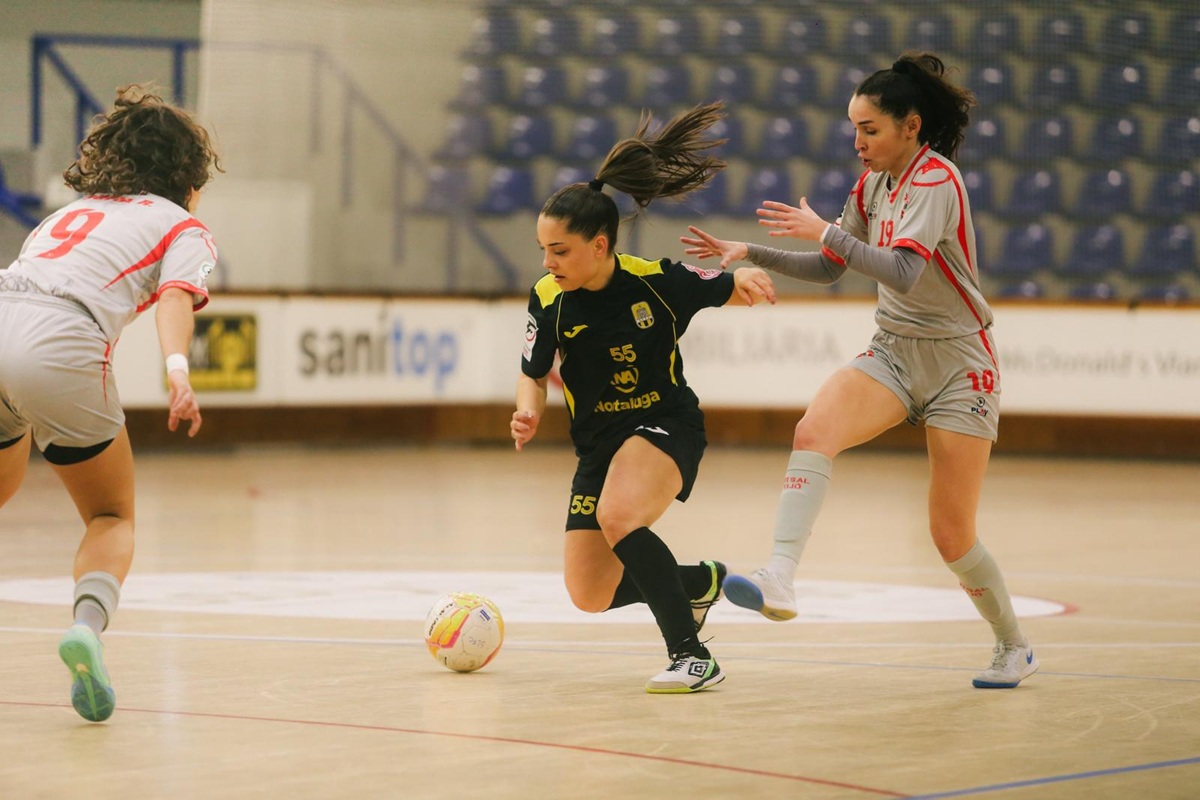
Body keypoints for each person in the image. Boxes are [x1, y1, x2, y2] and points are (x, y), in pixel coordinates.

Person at [680, 52, 1038, 689]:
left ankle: (1013, 645)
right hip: (895, 349)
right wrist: (749, 251)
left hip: (960, 365)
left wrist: (824, 230)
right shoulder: (872, 186)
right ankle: (779, 576)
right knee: (813, 430)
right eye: (854, 129)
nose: (858, 142)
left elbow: (901, 269)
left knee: (951, 534)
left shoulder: (937, 180)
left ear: (910, 126)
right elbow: (831, 267)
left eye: (870, 129)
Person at [511, 101, 777, 694]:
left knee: (618, 516)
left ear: (600, 245)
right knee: (589, 592)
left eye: (560, 251)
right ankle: (699, 583)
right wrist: (528, 409)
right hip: (598, 446)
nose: (548, 263)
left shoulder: (652, 281)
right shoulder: (548, 296)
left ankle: (692, 656)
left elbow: (725, 286)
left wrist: (746, 277)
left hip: (665, 426)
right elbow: (532, 371)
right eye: (543, 250)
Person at [0, 85, 220, 721]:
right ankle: (86, 631)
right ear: (190, 182)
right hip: (59, 343)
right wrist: (177, 370)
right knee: (110, 515)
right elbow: (176, 298)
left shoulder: (67, 215)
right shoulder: (183, 225)